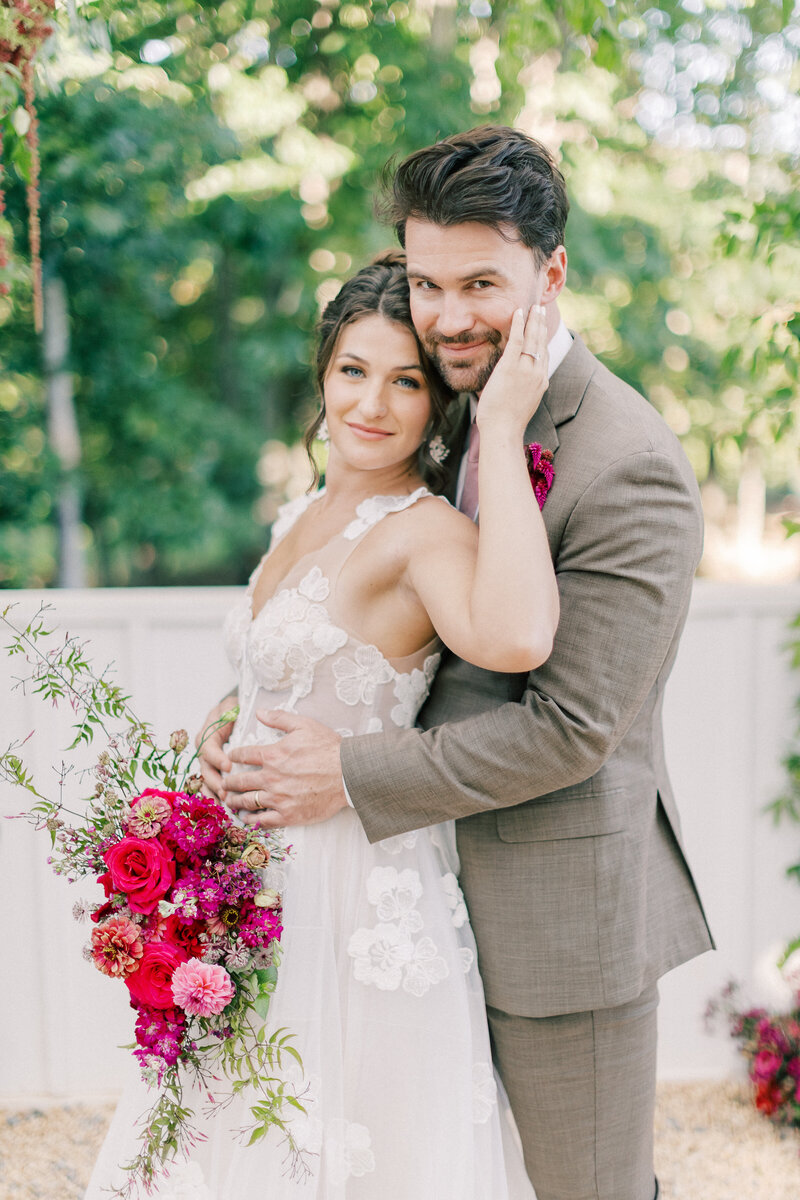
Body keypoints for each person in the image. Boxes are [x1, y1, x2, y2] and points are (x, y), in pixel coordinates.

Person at [202, 128, 715, 1200]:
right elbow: (361, 610)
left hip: (549, 919)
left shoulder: (627, 465)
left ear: (550, 271)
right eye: (428, 282)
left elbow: (573, 727)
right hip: (392, 909)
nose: (445, 316)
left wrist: (343, 774)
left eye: (481, 282)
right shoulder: (434, 399)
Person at [84, 252, 558, 1200]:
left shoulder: (424, 532)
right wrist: (221, 728)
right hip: (254, 885)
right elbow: (270, 668)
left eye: (406, 381)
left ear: (438, 403)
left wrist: (502, 425)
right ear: (323, 373)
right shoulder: (300, 513)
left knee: (342, 1146)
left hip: (353, 890)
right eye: (354, 371)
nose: (372, 404)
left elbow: (515, 637)